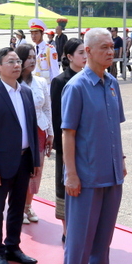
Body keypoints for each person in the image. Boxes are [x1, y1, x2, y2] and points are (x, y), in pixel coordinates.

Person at [62, 28, 127, 264]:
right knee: (80, 234)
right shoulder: (76, 87)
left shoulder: (112, 82)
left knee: (104, 232)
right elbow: (68, 133)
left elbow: (115, 128)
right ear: (87, 51)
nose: (110, 52)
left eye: (112, 47)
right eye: (104, 47)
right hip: (86, 175)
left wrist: (121, 159)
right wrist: (71, 174)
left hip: (111, 172)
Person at [0, 47, 41, 264]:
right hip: (1, 164)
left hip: (24, 160)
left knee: (18, 206)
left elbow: (32, 127)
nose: (17, 65)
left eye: (18, 61)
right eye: (11, 62)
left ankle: (13, 246)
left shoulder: (26, 92)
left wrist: (35, 160)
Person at [51, 38, 87, 240]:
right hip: (67, 143)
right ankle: (67, 230)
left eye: (86, 52)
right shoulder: (60, 81)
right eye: (80, 53)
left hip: (87, 143)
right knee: (65, 183)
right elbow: (57, 118)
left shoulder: (91, 78)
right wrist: (62, 146)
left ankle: (81, 226)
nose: (84, 57)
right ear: (69, 56)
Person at [16, 44, 53, 225]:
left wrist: (50, 133)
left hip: (40, 131)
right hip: (21, 133)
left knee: (36, 171)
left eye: (34, 57)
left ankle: (28, 205)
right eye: (28, 57)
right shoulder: (13, 82)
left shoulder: (40, 82)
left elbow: (47, 108)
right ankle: (18, 204)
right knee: (21, 171)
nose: (32, 60)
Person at [28, 18, 60, 83]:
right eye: (32, 34)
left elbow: (55, 70)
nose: (33, 36)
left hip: (47, 85)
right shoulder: (32, 48)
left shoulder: (49, 49)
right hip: (35, 84)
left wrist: (55, 86)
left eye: (36, 33)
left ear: (42, 33)